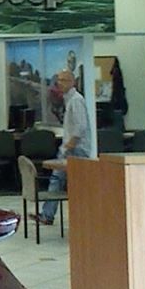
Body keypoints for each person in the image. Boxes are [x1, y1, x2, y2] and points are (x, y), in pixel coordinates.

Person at [39, 70, 93, 224]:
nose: (59, 83)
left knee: (76, 184)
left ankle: (82, 215)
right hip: (70, 147)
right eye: (58, 80)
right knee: (56, 180)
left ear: (72, 82)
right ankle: (47, 215)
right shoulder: (68, 100)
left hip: (76, 149)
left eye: (63, 80)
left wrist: (68, 146)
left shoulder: (76, 100)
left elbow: (80, 127)